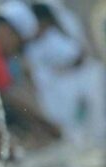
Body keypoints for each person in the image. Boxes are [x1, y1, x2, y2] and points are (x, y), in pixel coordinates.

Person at [26, 1, 106, 143]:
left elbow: (79, 57)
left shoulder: (55, 39)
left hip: (78, 90)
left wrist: (62, 70)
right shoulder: (34, 45)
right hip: (58, 95)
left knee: (90, 130)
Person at [0, 0, 61, 144]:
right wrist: (47, 123)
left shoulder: (3, 58)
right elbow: (10, 95)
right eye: (19, 43)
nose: (16, 49)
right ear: (7, 30)